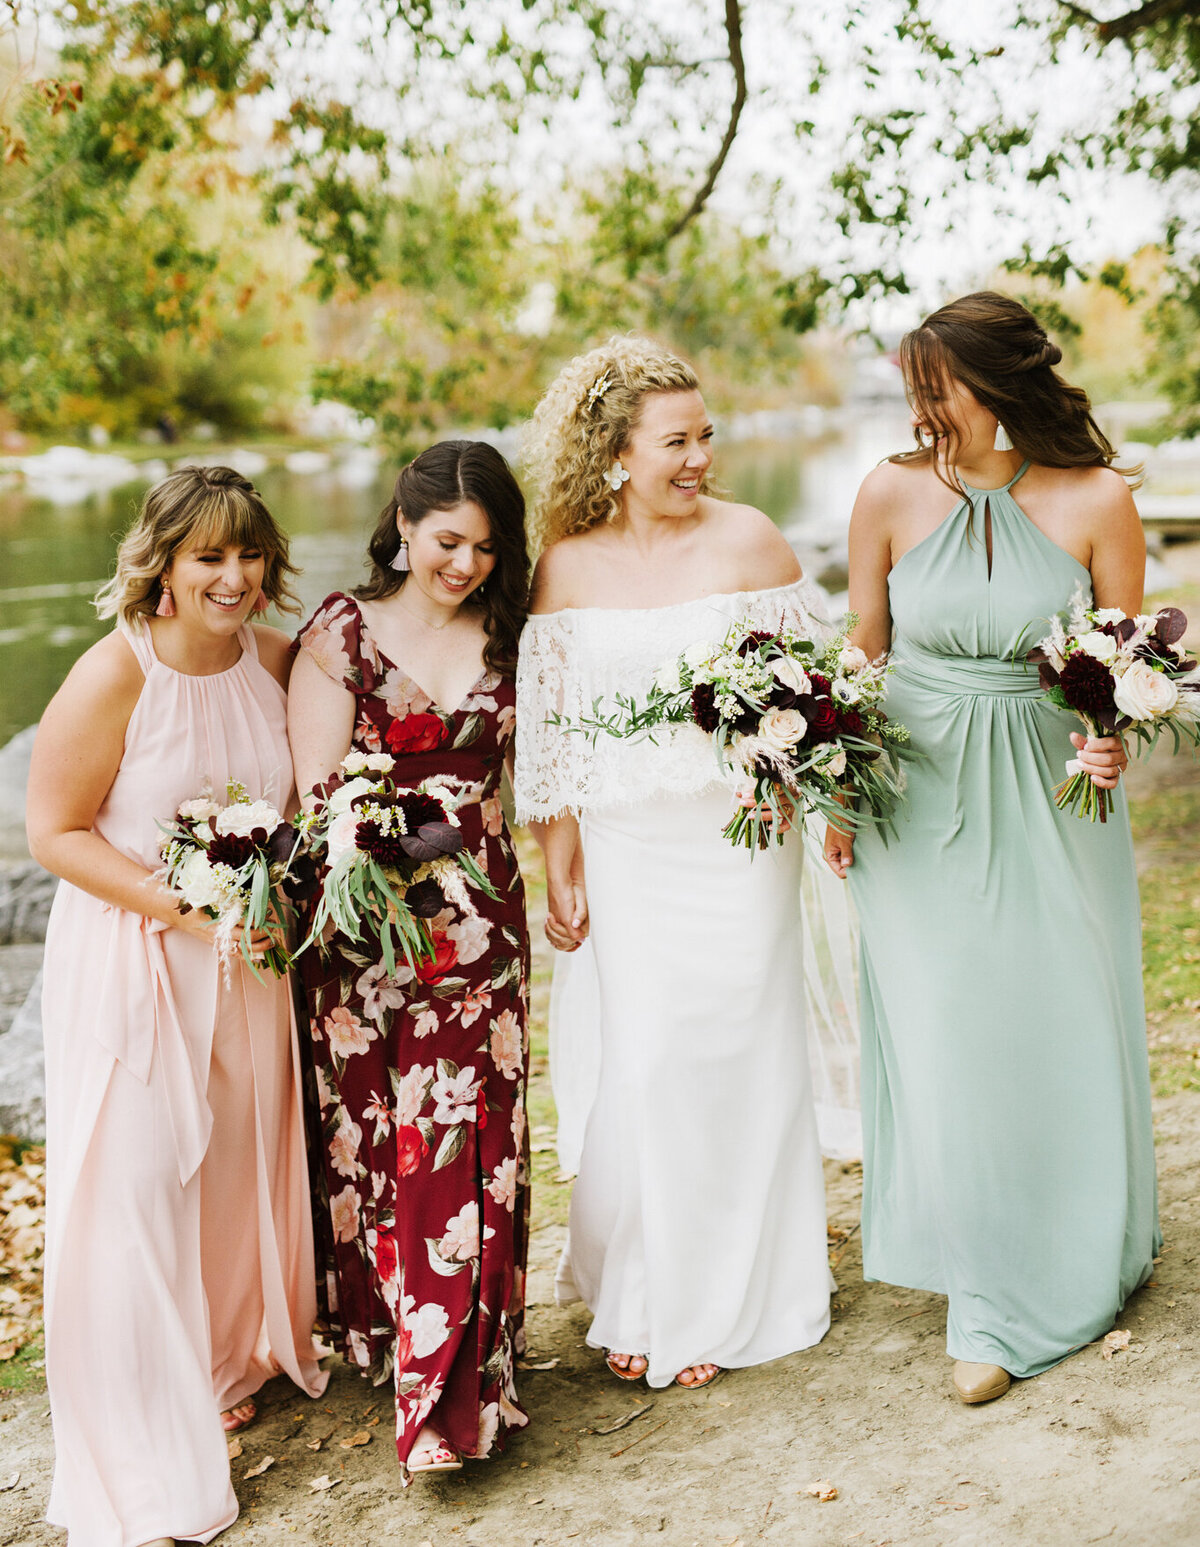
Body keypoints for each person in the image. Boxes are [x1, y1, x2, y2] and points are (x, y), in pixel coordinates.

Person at [825, 291, 1160, 1405]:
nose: (922, 409)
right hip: (911, 791)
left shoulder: (1096, 499)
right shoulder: (886, 493)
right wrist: (831, 781)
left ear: (1000, 383)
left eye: (940, 386)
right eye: (914, 386)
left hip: (1044, 784)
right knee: (946, 1030)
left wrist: (1109, 741)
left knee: (1050, 1010)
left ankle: (1069, 1254)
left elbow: (1122, 668)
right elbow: (866, 649)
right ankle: (988, 1292)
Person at [514, 336, 859, 1392]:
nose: (701, 455)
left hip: (740, 841)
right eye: (678, 440)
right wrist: (556, 855)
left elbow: (821, 689)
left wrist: (822, 795)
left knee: (741, 1054)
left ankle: (729, 1295)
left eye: (705, 434)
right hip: (628, 847)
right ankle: (647, 1287)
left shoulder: (752, 542)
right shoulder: (566, 565)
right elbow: (551, 725)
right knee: (650, 1058)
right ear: (615, 453)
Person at [28, 464, 327, 1547]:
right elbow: (54, 834)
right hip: (136, 952)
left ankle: (227, 1356)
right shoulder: (117, 673)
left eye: (250, 554)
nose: (235, 576)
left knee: (241, 1161)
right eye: (210, 556)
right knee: (134, 1185)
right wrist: (182, 907)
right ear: (161, 564)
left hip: (247, 958)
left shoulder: (277, 662)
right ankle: (136, 1451)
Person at [288, 439, 532, 1478]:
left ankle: (456, 1392)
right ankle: (396, 1342)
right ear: (402, 526)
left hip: (483, 923)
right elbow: (315, 798)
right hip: (368, 924)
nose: (465, 563)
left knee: (468, 1141)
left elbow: (538, 777)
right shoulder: (343, 632)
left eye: (484, 546)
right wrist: (374, 860)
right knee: (377, 1142)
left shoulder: (515, 639)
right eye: (447, 540)